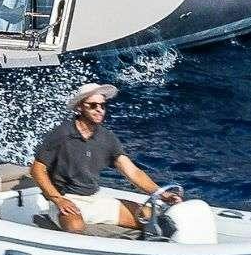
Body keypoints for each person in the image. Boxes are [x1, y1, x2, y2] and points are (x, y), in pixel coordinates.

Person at [30, 83, 180, 234]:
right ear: (79, 107)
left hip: (95, 199)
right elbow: (37, 169)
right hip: (67, 199)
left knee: (149, 217)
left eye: (102, 105)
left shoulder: (107, 138)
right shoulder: (61, 134)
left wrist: (161, 194)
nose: (99, 109)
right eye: (93, 105)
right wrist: (58, 199)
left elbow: (133, 172)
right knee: (75, 227)